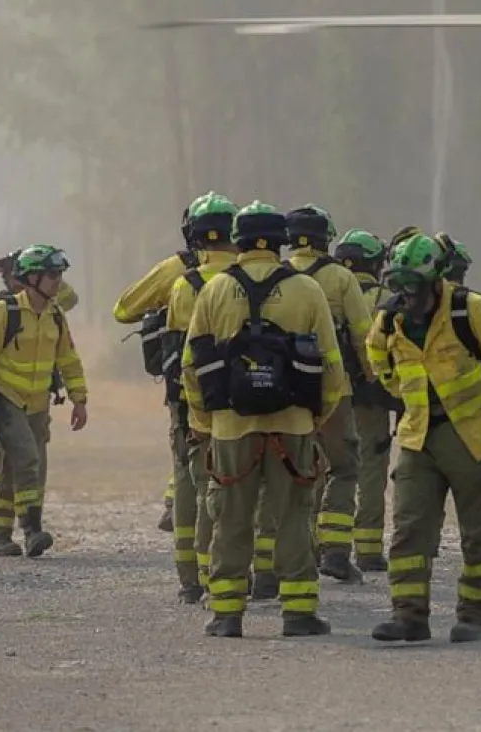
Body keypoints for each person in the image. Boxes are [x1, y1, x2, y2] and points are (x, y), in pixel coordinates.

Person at [181, 201, 348, 639]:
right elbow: (333, 367)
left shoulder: (213, 290)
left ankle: (227, 615)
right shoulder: (307, 290)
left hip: (230, 429)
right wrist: (315, 416)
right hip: (293, 426)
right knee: (294, 517)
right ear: (281, 242)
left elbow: (190, 364)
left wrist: (204, 421)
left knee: (230, 521)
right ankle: (298, 614)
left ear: (239, 240)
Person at [365, 234, 481, 643]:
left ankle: (474, 617)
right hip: (418, 437)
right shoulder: (389, 320)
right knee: (408, 529)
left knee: (476, 533)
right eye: (400, 286)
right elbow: (379, 361)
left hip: (472, 438)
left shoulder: (470, 310)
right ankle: (408, 616)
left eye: (414, 287)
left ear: (435, 280)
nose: (407, 296)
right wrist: (403, 394)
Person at [0, 244, 89, 558]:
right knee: (27, 461)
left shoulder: (55, 315)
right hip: (5, 400)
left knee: (14, 471)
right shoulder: (3, 312)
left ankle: (0, 538)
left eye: (60, 273)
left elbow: (69, 360)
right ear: (32, 277)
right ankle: (33, 531)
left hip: (38, 405)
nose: (58, 280)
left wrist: (79, 399)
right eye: (51, 274)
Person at [114, 199, 213, 534]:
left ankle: (183, 521)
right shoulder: (246, 268)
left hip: (183, 381)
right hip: (239, 382)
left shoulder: (175, 270)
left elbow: (124, 310)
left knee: (186, 455)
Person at [286, 204, 372, 584]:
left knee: (296, 470)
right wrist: (374, 376)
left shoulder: (278, 276)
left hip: (285, 393)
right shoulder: (340, 277)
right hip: (336, 389)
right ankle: (335, 551)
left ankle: (298, 551)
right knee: (343, 466)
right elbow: (363, 333)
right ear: (326, 238)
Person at [161, 193, 239, 604]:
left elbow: (127, 310)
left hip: (191, 400)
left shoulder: (183, 283)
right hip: (247, 399)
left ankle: (190, 578)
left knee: (191, 483)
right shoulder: (254, 278)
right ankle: (248, 572)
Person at [333, 229, 397, 572]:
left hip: (328, 396)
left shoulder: (324, 288)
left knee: (329, 470)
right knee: (371, 468)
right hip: (371, 398)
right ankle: (368, 550)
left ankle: (325, 545)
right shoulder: (385, 297)